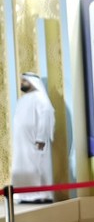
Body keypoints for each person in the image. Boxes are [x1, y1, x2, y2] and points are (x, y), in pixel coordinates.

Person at [12, 73, 56, 203]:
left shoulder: (40, 97)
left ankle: (40, 196)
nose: (22, 83)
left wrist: (41, 138)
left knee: (37, 168)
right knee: (22, 168)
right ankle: (24, 195)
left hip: (35, 142)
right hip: (21, 144)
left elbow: (46, 115)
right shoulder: (22, 100)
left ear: (33, 82)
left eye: (25, 81)